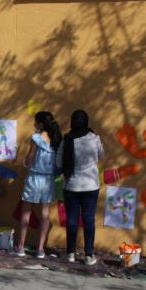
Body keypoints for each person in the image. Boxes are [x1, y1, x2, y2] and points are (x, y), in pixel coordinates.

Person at [56, 110, 104, 266]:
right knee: (89, 219)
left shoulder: (67, 139)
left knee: (71, 219)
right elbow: (101, 155)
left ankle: (70, 253)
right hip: (91, 186)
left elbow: (58, 163)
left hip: (71, 185)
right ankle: (89, 255)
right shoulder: (95, 138)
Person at [15, 111, 62, 259]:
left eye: (35, 122)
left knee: (26, 212)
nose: (34, 124)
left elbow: (29, 158)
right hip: (49, 180)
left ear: (40, 124)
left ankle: (21, 247)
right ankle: (40, 249)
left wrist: (22, 162)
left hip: (35, 178)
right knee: (45, 214)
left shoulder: (36, 138)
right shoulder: (55, 139)